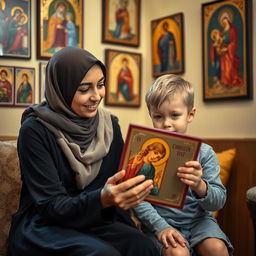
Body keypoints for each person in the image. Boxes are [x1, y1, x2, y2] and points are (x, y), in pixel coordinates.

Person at [7, 46, 158, 256]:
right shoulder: (34, 130)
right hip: (45, 225)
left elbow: (120, 184)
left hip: (94, 220)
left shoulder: (110, 125)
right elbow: (51, 207)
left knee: (144, 247)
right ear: (62, 88)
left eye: (101, 85)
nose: (96, 96)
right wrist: (102, 199)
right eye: (84, 89)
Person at [133, 74, 234, 256]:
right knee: (177, 253)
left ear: (190, 114)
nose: (166, 124)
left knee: (217, 249)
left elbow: (218, 201)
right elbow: (138, 200)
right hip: (160, 221)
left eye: (175, 115)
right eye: (158, 116)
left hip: (199, 221)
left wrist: (200, 186)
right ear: (151, 116)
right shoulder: (145, 155)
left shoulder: (205, 153)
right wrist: (161, 227)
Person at [219, 11, 243, 87]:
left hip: (229, 51)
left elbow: (234, 42)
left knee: (229, 67)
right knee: (224, 68)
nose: (224, 20)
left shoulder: (232, 30)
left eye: (225, 18)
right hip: (223, 52)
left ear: (228, 19)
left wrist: (227, 48)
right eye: (223, 19)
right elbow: (219, 41)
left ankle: (230, 81)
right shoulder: (222, 32)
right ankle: (225, 82)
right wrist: (220, 47)